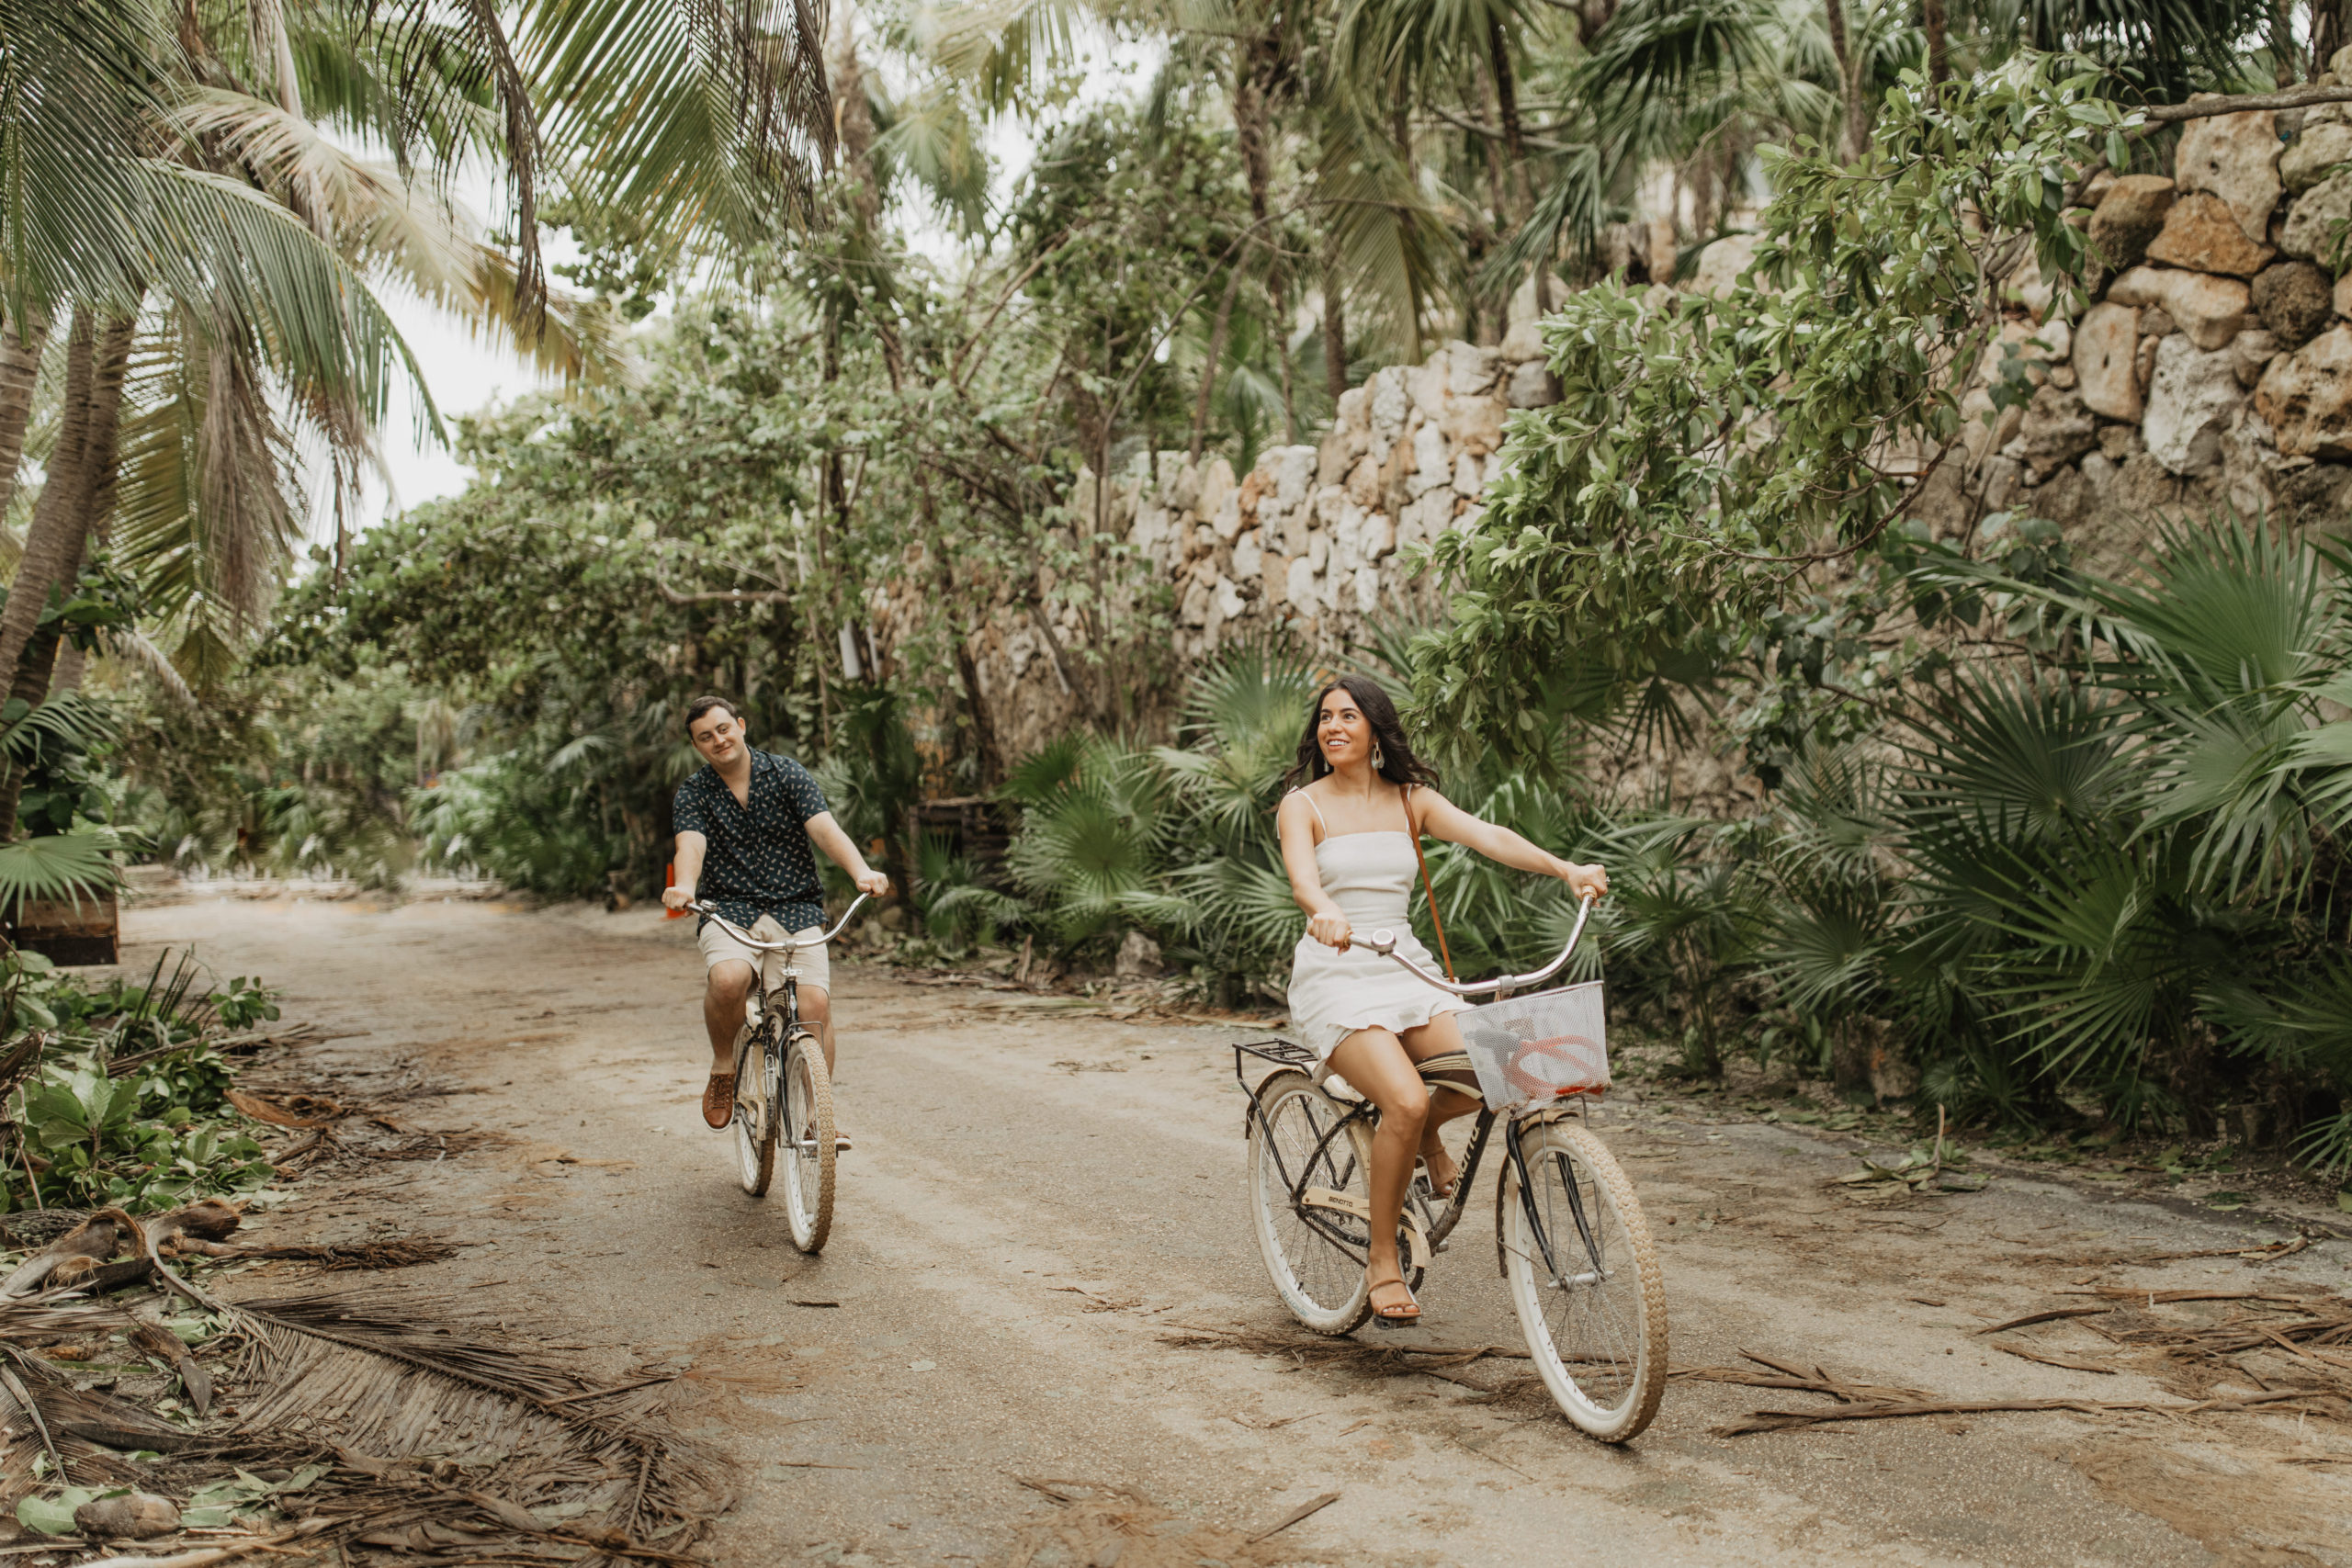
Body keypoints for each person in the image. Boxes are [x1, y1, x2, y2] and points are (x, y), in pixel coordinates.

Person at [1278, 675, 1608, 1326]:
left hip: (1406, 967)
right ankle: (1382, 1259)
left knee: (1496, 1073)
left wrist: (1565, 869)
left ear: (1376, 728)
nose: (1333, 726)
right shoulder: (1303, 804)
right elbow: (1303, 880)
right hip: (1338, 971)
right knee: (1401, 1097)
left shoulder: (1410, 800)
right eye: (1324, 717)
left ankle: (1423, 1129)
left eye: (1349, 715)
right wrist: (1325, 912)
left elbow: (1490, 835)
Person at [662, 695, 889, 1133]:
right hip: (729, 906)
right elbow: (690, 844)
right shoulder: (694, 792)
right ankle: (724, 1066)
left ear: (741, 725)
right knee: (729, 979)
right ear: (697, 746)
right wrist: (686, 887)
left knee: (814, 1003)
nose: (718, 740)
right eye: (705, 736)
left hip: (795, 904)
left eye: (724, 728)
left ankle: (812, 1118)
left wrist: (861, 871)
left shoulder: (786, 773)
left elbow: (823, 827)